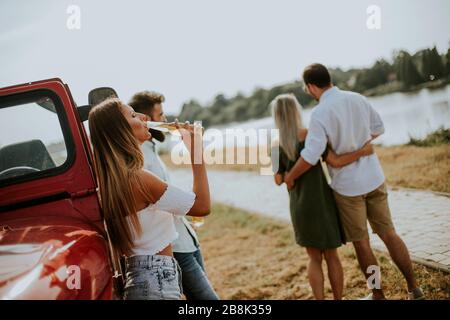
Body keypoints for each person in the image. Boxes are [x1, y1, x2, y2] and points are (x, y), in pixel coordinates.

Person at [284, 63, 424, 300]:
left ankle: (378, 294)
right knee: (390, 234)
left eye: (306, 88)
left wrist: (291, 176)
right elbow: (378, 128)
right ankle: (414, 288)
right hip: (374, 178)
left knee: (362, 244)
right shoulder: (356, 98)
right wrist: (360, 148)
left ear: (310, 87)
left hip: (348, 189)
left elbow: (310, 154)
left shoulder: (319, 113)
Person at [88, 98, 211, 300]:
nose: (143, 117)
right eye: (133, 115)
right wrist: (196, 152)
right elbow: (202, 206)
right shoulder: (138, 179)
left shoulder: (115, 181)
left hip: (145, 278)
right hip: (155, 283)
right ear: (120, 130)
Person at [271, 93, 374, 300]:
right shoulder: (310, 134)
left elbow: (278, 180)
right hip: (322, 202)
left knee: (314, 258)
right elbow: (334, 161)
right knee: (332, 255)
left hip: (299, 206)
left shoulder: (274, 145)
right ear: (296, 111)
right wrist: (362, 152)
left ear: (277, 117)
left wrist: (288, 174)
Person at [128, 91, 219, 300]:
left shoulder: (150, 151)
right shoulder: (141, 164)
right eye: (160, 115)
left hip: (186, 239)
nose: (166, 121)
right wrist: (196, 150)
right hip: (175, 249)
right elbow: (202, 206)